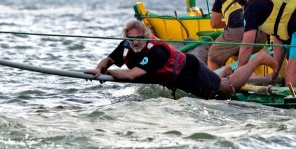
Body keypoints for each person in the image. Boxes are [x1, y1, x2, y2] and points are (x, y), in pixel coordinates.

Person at [87, 20, 260, 99]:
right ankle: (225, 71)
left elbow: (131, 75)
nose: (136, 42)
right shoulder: (126, 45)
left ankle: (258, 59)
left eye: (139, 38)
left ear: (147, 37)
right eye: (132, 39)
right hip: (180, 79)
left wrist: (107, 73)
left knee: (226, 89)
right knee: (220, 81)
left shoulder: (157, 51)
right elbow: (108, 60)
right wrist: (99, 69)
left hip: (191, 72)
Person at [206, 0, 260, 69]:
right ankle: (253, 80)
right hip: (261, 33)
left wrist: (229, 23)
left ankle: (217, 83)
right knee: (238, 53)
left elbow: (215, 23)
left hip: (240, 31)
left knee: (213, 57)